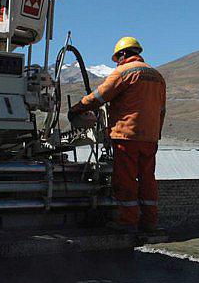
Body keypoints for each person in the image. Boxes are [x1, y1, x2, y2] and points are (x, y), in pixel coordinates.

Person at [68, 36, 167, 233]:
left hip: (127, 136)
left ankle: (128, 222)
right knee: (147, 180)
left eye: (117, 58)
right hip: (150, 138)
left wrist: (77, 108)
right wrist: (156, 133)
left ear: (123, 54)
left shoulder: (124, 72)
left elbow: (100, 96)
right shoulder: (157, 76)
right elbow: (162, 110)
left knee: (125, 180)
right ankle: (149, 222)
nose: (117, 62)